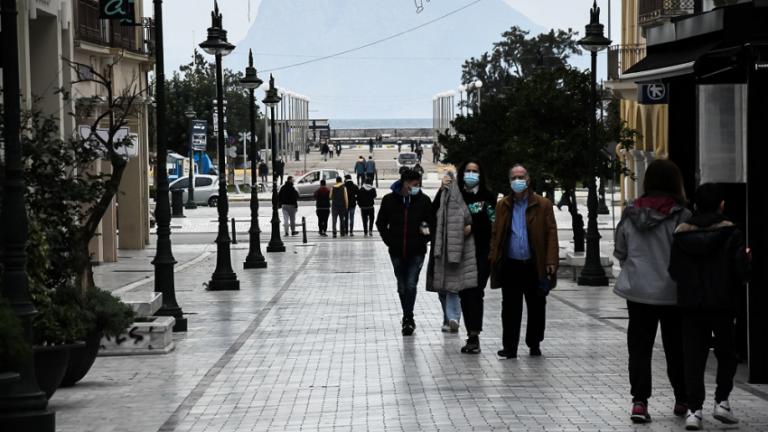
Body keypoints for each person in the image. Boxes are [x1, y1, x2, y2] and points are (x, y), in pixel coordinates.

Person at [612, 159, 691, 424]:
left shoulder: (631, 212)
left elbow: (620, 250)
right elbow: (687, 253)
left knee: (639, 348)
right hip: (672, 292)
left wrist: (634, 266)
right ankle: (682, 398)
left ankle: (639, 402)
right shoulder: (681, 214)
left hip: (638, 292)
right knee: (676, 347)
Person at [668, 183, 748, 430]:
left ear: (694, 205)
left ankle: (694, 410)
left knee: (693, 357)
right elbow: (741, 271)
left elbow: (674, 271)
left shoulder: (681, 234)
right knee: (727, 354)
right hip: (723, 303)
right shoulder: (732, 233)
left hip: (691, 304)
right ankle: (722, 401)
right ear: (721, 205)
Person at [489, 163, 558, 359]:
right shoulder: (503, 205)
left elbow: (551, 232)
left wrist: (551, 260)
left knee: (536, 306)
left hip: (533, 263)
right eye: (514, 178)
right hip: (511, 264)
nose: (518, 181)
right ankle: (510, 347)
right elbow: (496, 233)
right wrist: (493, 257)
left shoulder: (543, 204)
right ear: (509, 181)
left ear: (528, 179)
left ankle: (534, 342)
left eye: (521, 177)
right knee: (510, 308)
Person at [439, 160, 497, 353]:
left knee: (475, 291)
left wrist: (473, 226)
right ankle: (471, 333)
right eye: (468, 171)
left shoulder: (487, 196)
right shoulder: (455, 194)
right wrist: (442, 190)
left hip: (480, 251)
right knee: (464, 293)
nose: (471, 174)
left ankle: (474, 335)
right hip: (460, 252)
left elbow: (492, 222)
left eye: (475, 171)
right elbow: (438, 213)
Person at [376, 169, 435, 336]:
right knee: (402, 286)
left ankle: (408, 318)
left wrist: (423, 238)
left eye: (419, 184)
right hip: (396, 251)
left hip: (416, 251)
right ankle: (407, 315)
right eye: (414, 184)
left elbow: (430, 223)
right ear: (405, 183)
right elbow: (381, 222)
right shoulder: (389, 200)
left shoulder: (423, 200)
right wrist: (389, 240)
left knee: (410, 284)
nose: (417, 187)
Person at [428, 170, 475, 338]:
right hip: (440, 249)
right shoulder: (441, 196)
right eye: (446, 180)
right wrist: (441, 190)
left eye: (451, 180)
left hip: (456, 248)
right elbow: (431, 214)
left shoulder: (463, 196)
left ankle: (453, 317)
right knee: (442, 288)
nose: (449, 183)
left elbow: (472, 217)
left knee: (452, 287)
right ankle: (447, 319)